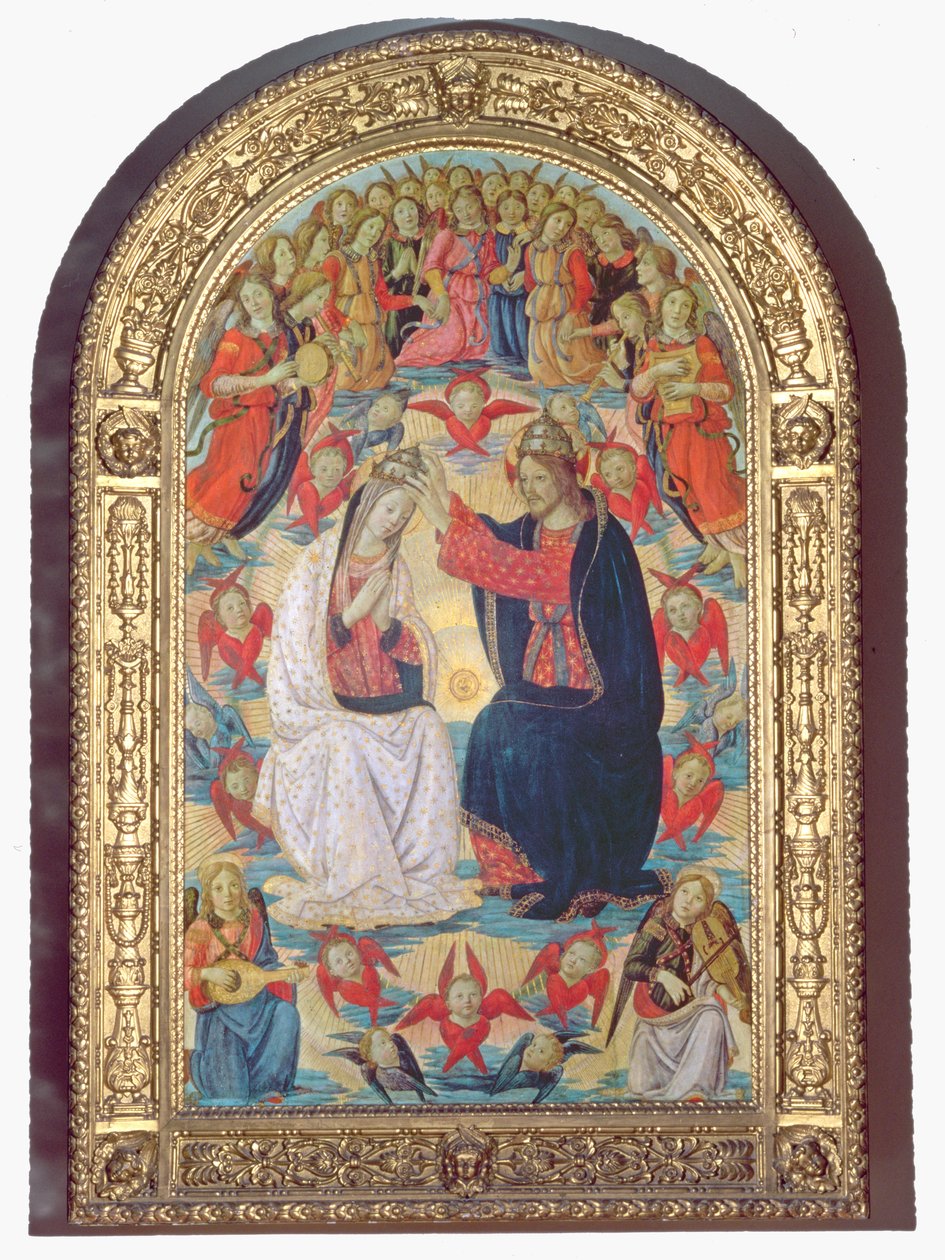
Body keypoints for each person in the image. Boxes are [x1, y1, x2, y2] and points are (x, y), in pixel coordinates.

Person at [406, 419, 665, 921]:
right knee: (501, 719)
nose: (529, 489)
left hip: (600, 700)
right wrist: (442, 501)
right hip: (543, 686)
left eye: (539, 478)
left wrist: (440, 515)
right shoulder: (531, 530)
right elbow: (493, 540)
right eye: (523, 479)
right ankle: (510, 867)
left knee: (503, 722)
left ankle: (548, 866)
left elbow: (525, 572)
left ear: (566, 476)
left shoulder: (600, 542)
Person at [254, 449, 478, 930]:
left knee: (428, 725)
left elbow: (415, 643)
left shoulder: (396, 568)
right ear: (367, 502)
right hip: (325, 709)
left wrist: (388, 624)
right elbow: (295, 645)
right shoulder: (318, 562)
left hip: (383, 700)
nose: (395, 520)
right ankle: (360, 876)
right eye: (389, 507)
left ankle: (419, 870)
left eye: (405, 513)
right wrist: (351, 616)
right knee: (345, 740)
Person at [631, 283, 747, 585]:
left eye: (685, 305)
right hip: (671, 434)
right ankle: (717, 546)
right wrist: (656, 372)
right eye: (672, 303)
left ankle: (738, 558)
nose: (678, 311)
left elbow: (724, 390)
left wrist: (691, 388)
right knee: (690, 493)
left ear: (691, 312)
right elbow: (638, 391)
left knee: (713, 491)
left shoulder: (702, 344)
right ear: (662, 307)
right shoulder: (655, 345)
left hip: (702, 431)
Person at [605, 865, 748, 1101]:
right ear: (675, 892)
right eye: (684, 892)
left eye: (698, 898)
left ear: (706, 908)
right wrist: (662, 976)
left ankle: (695, 1089)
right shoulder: (656, 927)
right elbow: (632, 966)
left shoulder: (702, 937)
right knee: (642, 1086)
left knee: (712, 1015)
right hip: (655, 1018)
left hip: (690, 1016)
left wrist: (728, 993)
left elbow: (707, 979)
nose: (688, 901)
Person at [185, 270, 293, 571]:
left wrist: (300, 380)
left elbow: (280, 385)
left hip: (263, 421)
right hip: (236, 422)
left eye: (258, 294)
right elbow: (213, 383)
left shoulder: (282, 338)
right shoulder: (235, 337)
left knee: (250, 481)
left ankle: (218, 537)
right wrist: (263, 381)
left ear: (270, 295)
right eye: (246, 299)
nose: (253, 302)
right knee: (228, 479)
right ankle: (195, 543)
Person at [184, 857, 301, 1104]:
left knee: (286, 1014)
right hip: (220, 1010)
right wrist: (208, 973)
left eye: (234, 885)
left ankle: (267, 1086)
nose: (227, 894)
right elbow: (181, 972)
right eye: (218, 888)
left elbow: (266, 961)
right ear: (208, 893)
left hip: (258, 1003)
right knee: (230, 1094)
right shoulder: (200, 929)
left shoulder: (254, 919)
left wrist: (283, 974)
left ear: (242, 886)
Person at [322, 209, 430, 391]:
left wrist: (415, 299)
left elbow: (384, 300)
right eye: (370, 226)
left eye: (379, 230)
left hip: (374, 337)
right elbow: (326, 305)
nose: (374, 233)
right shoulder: (335, 260)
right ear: (357, 226)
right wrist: (349, 324)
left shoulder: (373, 261)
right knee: (344, 385)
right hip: (347, 335)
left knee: (380, 383)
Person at [396, 187, 503, 367]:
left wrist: (509, 268)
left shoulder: (488, 236)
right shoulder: (446, 235)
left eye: (469, 207)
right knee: (448, 341)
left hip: (475, 299)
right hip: (447, 294)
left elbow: (490, 271)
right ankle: (402, 364)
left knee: (472, 350)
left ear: (480, 205)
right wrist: (443, 298)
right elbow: (431, 268)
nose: (465, 214)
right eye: (459, 210)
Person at [523, 201, 603, 387]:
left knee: (572, 362)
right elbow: (530, 281)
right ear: (545, 219)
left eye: (567, 224)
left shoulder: (572, 252)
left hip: (568, 309)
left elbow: (585, 287)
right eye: (557, 220)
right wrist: (541, 298)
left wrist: (570, 315)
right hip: (541, 310)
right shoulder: (532, 248)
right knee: (540, 361)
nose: (561, 228)